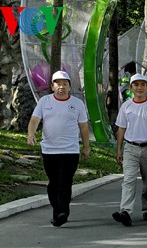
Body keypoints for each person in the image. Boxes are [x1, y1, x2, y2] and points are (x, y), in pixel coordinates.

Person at [27, 70, 90, 227]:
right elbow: (35, 120)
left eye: (64, 83)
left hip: (70, 150)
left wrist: (86, 147)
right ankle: (58, 210)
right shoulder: (44, 102)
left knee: (65, 181)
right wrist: (30, 134)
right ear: (52, 86)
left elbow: (83, 127)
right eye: (58, 83)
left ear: (69, 86)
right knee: (53, 183)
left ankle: (62, 213)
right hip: (49, 150)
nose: (61, 86)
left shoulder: (77, 104)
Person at [112, 73, 147, 227]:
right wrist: (119, 149)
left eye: (143, 85)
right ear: (131, 88)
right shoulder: (126, 106)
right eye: (136, 85)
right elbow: (121, 128)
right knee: (128, 180)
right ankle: (126, 212)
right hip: (130, 147)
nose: (139, 88)